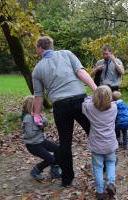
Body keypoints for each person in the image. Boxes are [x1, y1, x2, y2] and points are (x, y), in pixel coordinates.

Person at [32, 36, 97, 187]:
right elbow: (81, 73)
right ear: (51, 46)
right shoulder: (66, 54)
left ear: (40, 48)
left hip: (60, 107)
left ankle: (67, 178)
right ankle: (105, 164)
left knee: (65, 143)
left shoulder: (37, 69)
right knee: (94, 132)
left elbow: (38, 97)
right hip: (79, 101)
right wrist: (96, 89)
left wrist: (36, 114)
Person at [82, 85, 118, 200]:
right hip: (110, 143)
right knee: (111, 163)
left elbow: (84, 104)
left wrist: (90, 97)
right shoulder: (114, 107)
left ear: (95, 98)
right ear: (110, 97)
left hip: (96, 145)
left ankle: (100, 191)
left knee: (97, 167)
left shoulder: (91, 108)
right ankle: (110, 183)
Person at [21, 96, 61, 181]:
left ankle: (54, 170)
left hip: (41, 141)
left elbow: (46, 122)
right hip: (33, 145)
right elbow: (29, 134)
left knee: (57, 149)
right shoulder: (28, 118)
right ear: (31, 106)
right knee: (50, 158)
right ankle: (35, 171)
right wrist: (39, 126)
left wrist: (41, 119)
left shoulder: (37, 114)